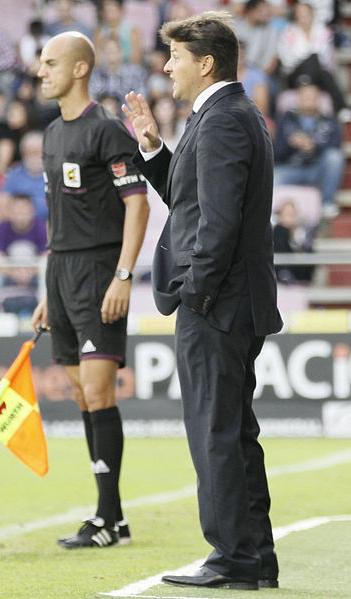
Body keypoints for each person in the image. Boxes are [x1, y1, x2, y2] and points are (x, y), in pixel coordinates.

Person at [123, 9, 282, 591]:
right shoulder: (232, 115)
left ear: (205, 62)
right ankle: (255, 557)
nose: (167, 67)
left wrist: (196, 295)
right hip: (234, 300)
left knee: (214, 431)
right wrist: (153, 149)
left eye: (176, 58)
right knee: (235, 431)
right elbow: (193, 200)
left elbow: (215, 225)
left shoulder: (221, 121)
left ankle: (230, 557)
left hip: (217, 304)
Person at [32, 31, 148, 548]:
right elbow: (60, 219)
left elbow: (138, 205)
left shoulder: (106, 131)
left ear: (80, 69)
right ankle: (113, 517)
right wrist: (46, 290)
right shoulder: (52, 134)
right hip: (61, 274)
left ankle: (107, 518)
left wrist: (123, 275)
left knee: (99, 391)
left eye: (51, 63)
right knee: (80, 392)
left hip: (101, 271)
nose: (41, 71)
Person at [273, 83, 345, 219]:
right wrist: (291, 144)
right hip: (290, 168)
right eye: (305, 96)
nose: (309, 99)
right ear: (298, 98)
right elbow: (275, 152)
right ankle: (275, 214)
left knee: (335, 157)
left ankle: (327, 203)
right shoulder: (286, 119)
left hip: (317, 169)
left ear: (319, 99)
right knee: (272, 178)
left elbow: (336, 146)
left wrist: (314, 146)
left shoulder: (330, 120)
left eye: (312, 96)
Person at [0, 194, 47, 316]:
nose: (21, 215)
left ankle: (45, 313)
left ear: (32, 211)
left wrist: (30, 272)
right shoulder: (2, 228)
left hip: (35, 273)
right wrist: (13, 272)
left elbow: (46, 258)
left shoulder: (41, 227)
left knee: (47, 279)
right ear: (10, 212)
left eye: (24, 211)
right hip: (9, 274)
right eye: (17, 211)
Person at [1, 131, 48, 220]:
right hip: (19, 226)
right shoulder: (14, 173)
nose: (34, 155)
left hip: (48, 226)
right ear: (23, 154)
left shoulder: (55, 174)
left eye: (38, 151)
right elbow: (2, 205)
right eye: (30, 151)